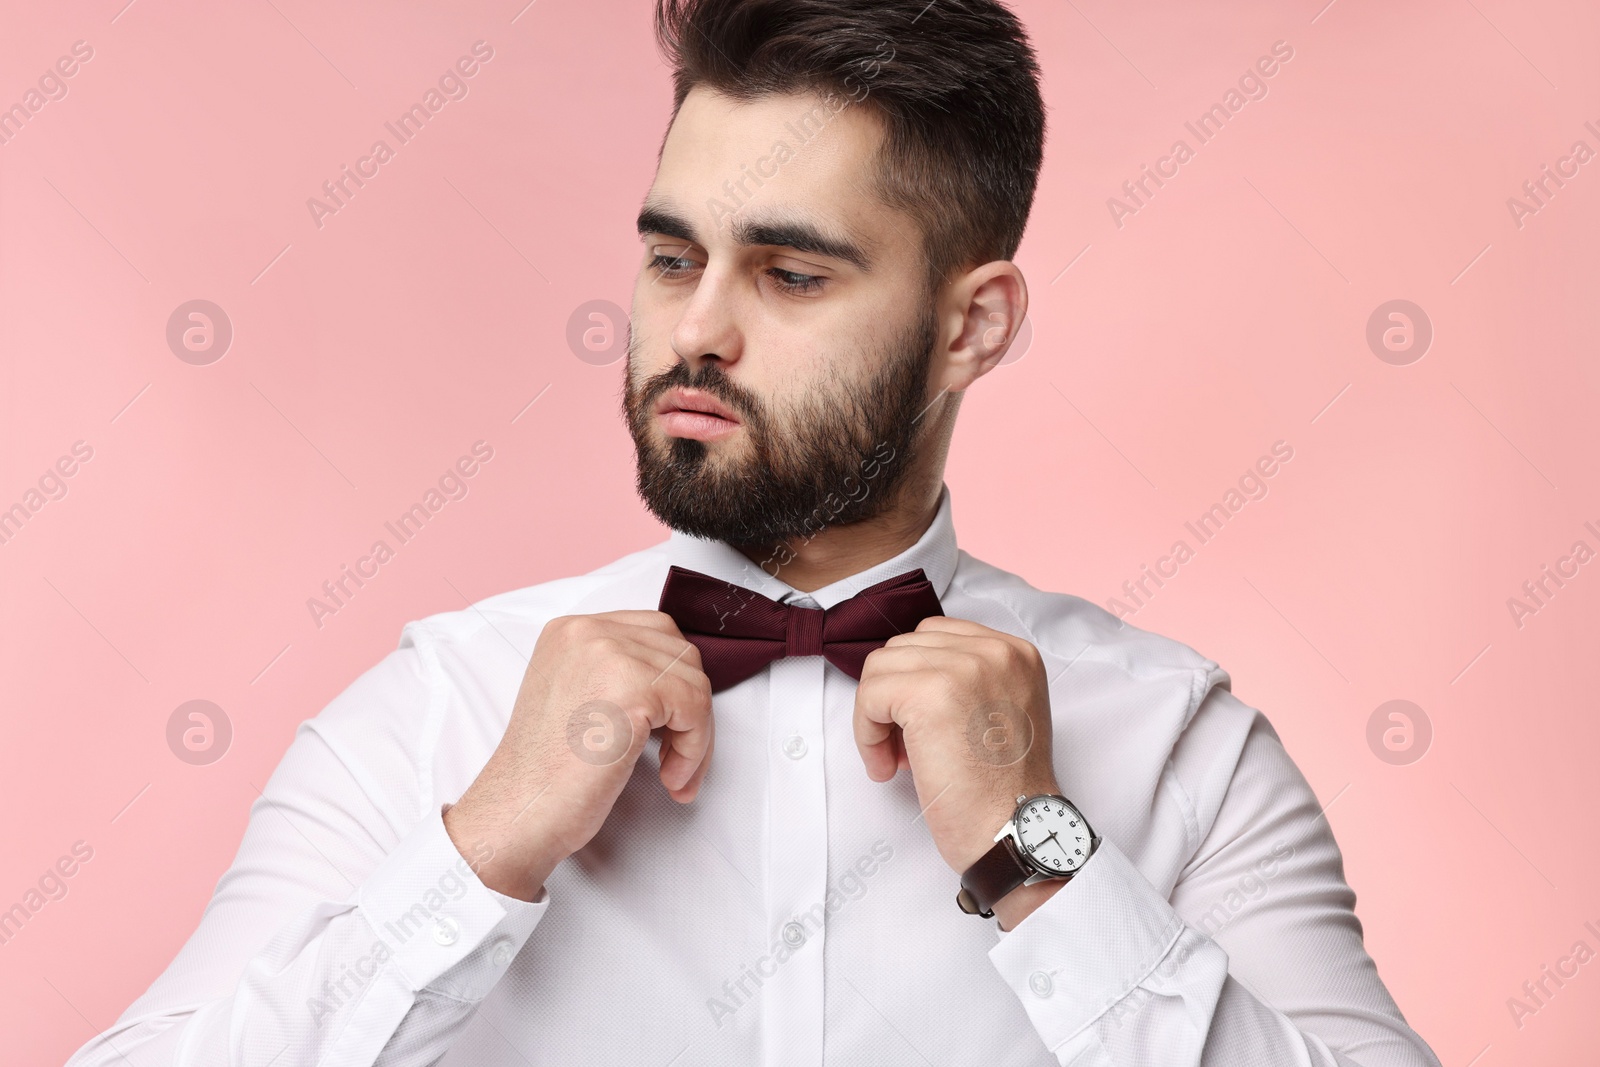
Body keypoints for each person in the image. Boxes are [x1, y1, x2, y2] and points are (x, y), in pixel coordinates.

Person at [68, 1, 1442, 1063]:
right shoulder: (436, 712)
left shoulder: (1179, 747)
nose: (697, 330)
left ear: (974, 326)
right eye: (673, 258)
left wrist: (1041, 855)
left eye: (789, 274)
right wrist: (478, 852)